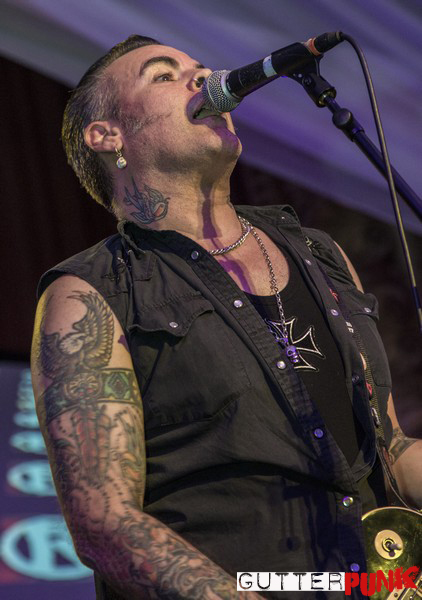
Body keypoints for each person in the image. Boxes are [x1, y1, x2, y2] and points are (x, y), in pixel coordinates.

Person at [31, 35, 421, 599]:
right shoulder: (89, 294)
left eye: (199, 67)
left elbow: (390, 448)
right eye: (163, 75)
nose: (203, 77)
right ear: (107, 135)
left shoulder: (319, 253)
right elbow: (104, 521)